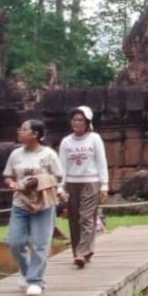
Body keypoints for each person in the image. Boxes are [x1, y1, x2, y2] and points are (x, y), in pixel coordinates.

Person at [3, 119, 63, 296]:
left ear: (35, 134)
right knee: (15, 242)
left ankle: (35, 280)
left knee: (39, 244)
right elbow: (8, 175)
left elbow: (59, 177)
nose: (20, 132)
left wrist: (41, 180)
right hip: (20, 203)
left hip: (43, 204)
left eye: (24, 129)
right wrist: (13, 184)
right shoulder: (16, 154)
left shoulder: (49, 154)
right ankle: (27, 270)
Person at [58, 106, 109, 268]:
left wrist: (104, 185)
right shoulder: (66, 141)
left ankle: (83, 251)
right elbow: (62, 166)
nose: (76, 122)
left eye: (80, 120)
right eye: (74, 119)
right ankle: (79, 252)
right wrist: (60, 187)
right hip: (72, 183)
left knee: (86, 217)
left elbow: (102, 162)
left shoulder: (94, 139)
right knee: (73, 219)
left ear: (87, 122)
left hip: (90, 182)